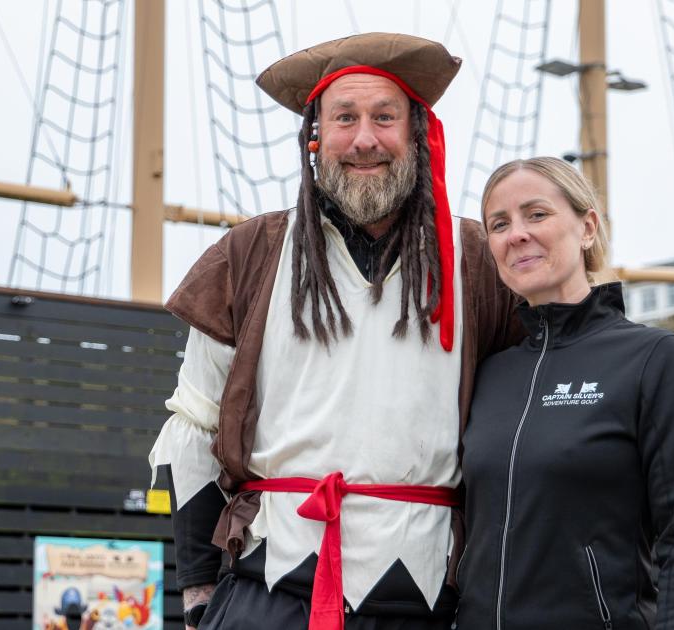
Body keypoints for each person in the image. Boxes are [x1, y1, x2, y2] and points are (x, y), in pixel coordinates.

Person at [148, 33, 523, 630]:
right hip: (268, 589)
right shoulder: (251, 253)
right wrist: (197, 596)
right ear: (316, 135)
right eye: (345, 117)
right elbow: (194, 427)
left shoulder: (477, 260)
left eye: (384, 117)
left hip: (427, 599)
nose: (365, 139)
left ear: (416, 135)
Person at [456, 157, 674, 629]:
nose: (517, 233)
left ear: (587, 227)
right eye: (499, 224)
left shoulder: (654, 360)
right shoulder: (487, 374)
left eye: (536, 214)